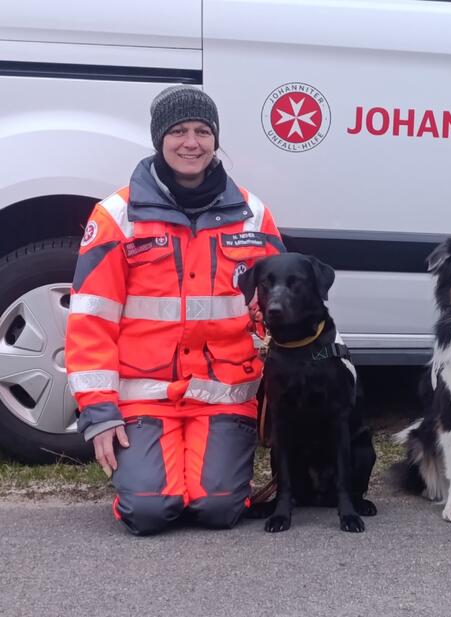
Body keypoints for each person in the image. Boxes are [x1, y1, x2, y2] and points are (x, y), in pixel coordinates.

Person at [66, 86, 284, 535]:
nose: (191, 142)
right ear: (159, 139)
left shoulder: (253, 215)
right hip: (145, 399)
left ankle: (202, 480)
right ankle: (150, 482)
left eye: (203, 131)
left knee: (219, 510)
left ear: (215, 139)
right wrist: (100, 413)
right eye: (179, 131)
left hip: (223, 395)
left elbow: (280, 304)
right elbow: (91, 321)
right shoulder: (116, 216)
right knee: (148, 512)